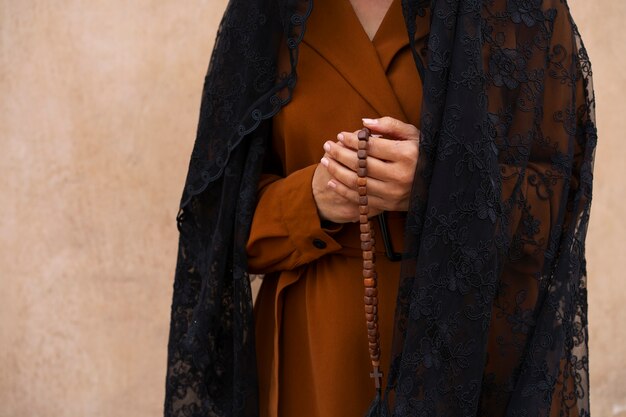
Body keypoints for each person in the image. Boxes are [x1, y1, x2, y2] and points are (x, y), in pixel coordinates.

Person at [164, 0, 597, 416]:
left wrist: (443, 183)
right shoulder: (273, 11)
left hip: (470, 350)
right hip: (315, 354)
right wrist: (312, 200)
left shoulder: (518, 10)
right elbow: (217, 227)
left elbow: (559, 204)